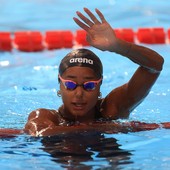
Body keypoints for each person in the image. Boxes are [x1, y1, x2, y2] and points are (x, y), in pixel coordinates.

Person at [22, 8, 170, 136]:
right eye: (70, 84)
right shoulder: (45, 116)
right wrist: (107, 128)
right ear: (60, 85)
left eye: (89, 85)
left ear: (99, 86)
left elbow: (155, 65)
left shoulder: (112, 108)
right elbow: (38, 133)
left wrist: (118, 46)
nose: (79, 94)